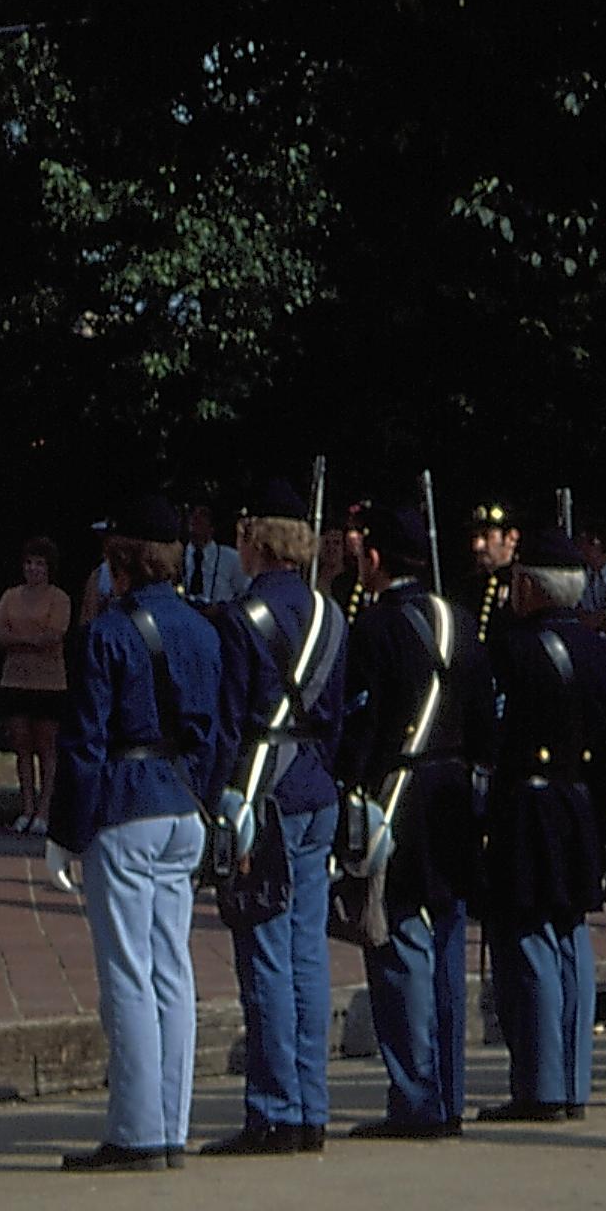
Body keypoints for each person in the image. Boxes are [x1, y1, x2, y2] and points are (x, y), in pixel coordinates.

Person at [47, 495, 229, 1170]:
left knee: (127, 974)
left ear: (120, 560)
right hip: (182, 802)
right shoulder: (204, 630)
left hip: (126, 802)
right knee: (172, 971)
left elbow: (86, 742)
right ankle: (170, 1125)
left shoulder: (109, 633)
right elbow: (216, 733)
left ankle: (136, 1129)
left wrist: (66, 829)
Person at [336, 504, 495, 1139]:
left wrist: (352, 784)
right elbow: (485, 714)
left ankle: (415, 1098)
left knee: (398, 940)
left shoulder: (374, 627)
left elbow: (363, 723)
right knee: (449, 943)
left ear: (374, 560)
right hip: (455, 788)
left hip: (399, 791)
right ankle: (448, 1093)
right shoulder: (459, 619)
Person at [200, 485, 349, 1155]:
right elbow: (338, 714)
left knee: (264, 956)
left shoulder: (242, 617)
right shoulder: (330, 612)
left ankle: (273, 1111)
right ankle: (310, 1106)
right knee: (308, 955)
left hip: (263, 793)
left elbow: (230, 719)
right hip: (317, 783)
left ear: (258, 541)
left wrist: (222, 798)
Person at [475, 526, 606, 1123]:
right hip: (580, 802)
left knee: (528, 937)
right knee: (570, 940)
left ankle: (540, 1084)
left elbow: (495, 731)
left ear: (532, 588)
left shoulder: (513, 649)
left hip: (528, 804)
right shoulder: (596, 650)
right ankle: (573, 1078)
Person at [0, 537, 73, 835]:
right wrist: (27, 640)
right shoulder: (11, 596)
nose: (33, 569)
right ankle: (26, 806)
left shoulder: (59, 598)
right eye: (29, 563)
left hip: (49, 683)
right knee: (21, 743)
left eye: (39, 564)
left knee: (46, 746)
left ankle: (45, 810)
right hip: (15, 679)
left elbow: (54, 633)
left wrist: (19, 639)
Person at [466, 501, 520, 650]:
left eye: (486, 536)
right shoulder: (473, 584)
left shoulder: (522, 584)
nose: (477, 545)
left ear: (511, 538)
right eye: (475, 537)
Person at [178, 501, 248, 608]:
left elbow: (245, 595)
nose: (196, 518)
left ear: (212, 527)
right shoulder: (177, 557)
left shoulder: (231, 558)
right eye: (193, 513)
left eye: (203, 514)